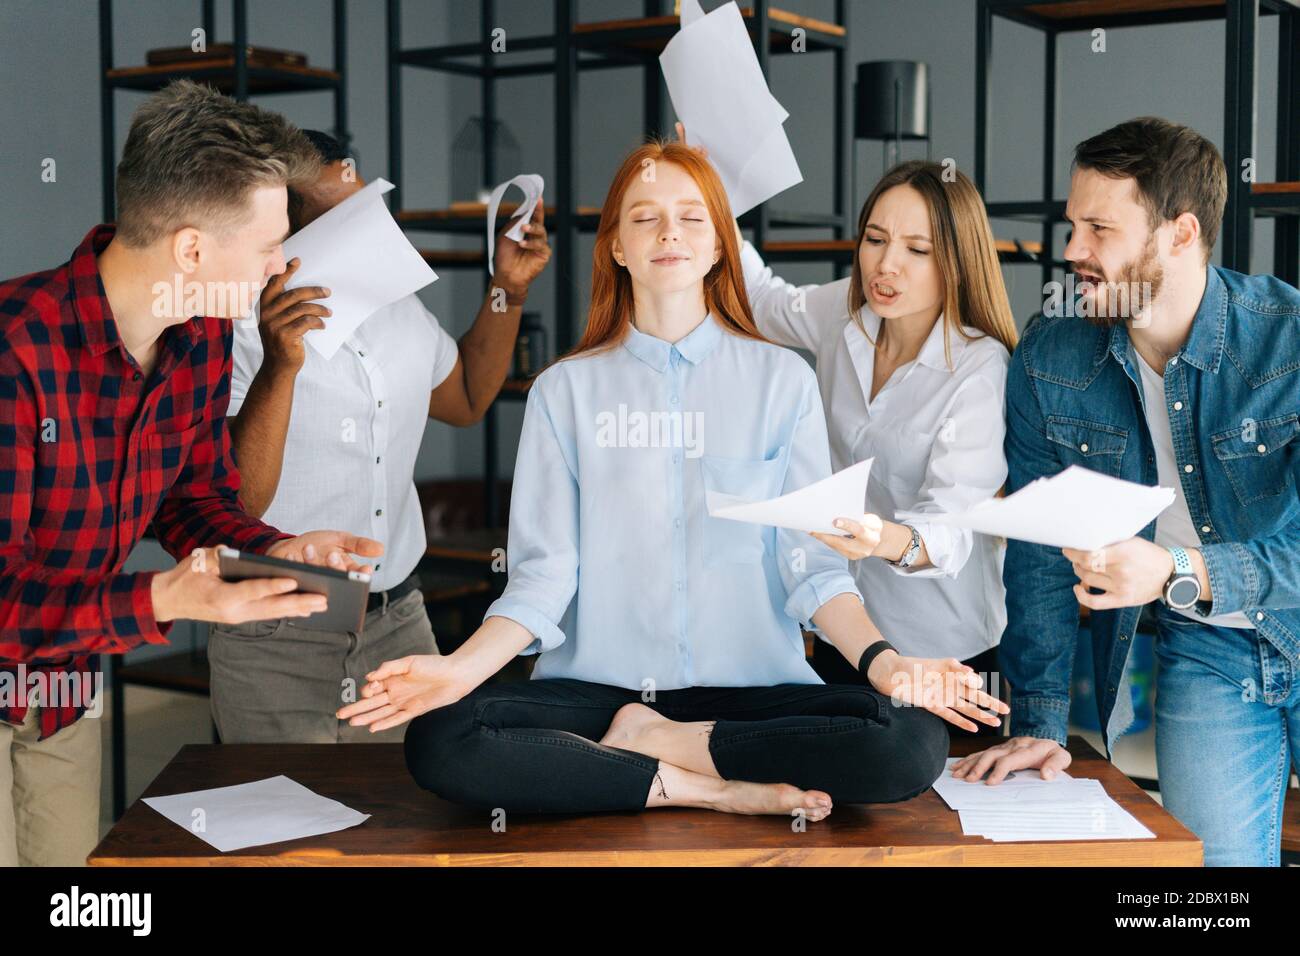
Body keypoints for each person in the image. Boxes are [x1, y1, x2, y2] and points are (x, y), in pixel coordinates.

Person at [338, 140, 1007, 819]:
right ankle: (700, 786)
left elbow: (812, 569)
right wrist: (457, 669)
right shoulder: (562, 392)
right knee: (442, 737)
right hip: (602, 690)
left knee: (910, 740)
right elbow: (542, 578)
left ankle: (659, 748)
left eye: (692, 217)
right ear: (618, 248)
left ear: (720, 246)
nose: (669, 233)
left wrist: (887, 664)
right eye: (645, 217)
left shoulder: (783, 384)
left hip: (754, 694)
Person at [0, 81, 382, 866]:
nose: (286, 261)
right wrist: (160, 598)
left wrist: (275, 551)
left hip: (62, 693)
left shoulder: (199, 333)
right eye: (271, 242)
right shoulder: (14, 353)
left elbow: (194, 497)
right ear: (192, 249)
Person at [952, 117, 1300, 867]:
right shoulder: (1053, 355)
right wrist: (1041, 722)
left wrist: (1184, 573)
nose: (1072, 250)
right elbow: (1042, 549)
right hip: (1212, 652)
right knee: (1214, 886)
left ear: (1180, 234)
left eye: (1099, 228)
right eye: (1073, 224)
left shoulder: (1288, 339)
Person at [210, 129, 551, 744]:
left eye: (369, 202)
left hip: (398, 622)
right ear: (285, 224)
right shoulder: (230, 325)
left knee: (409, 823)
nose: (372, 224)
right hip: (273, 630)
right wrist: (279, 362)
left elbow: (470, 395)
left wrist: (510, 288)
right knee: (286, 825)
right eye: (345, 211)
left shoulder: (400, 311)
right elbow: (238, 502)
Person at [732, 152, 1018, 737]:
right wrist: (711, 192)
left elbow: (955, 528)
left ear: (956, 262)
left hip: (945, 653)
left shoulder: (980, 367)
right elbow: (760, 300)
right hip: (848, 634)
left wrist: (878, 537)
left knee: (939, 816)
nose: (886, 265)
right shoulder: (845, 314)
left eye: (918, 250)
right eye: (875, 239)